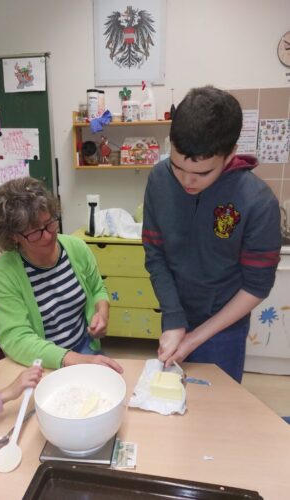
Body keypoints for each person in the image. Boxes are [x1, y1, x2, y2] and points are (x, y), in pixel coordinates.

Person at [142, 85, 281, 383]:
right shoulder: (158, 180)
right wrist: (174, 319)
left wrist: (195, 339)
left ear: (230, 154)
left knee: (218, 412)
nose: (186, 180)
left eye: (202, 173)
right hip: (176, 314)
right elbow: (156, 256)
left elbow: (256, 286)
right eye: (177, 167)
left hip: (224, 327)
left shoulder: (258, 202)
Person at [0, 177, 123, 374]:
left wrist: (101, 312)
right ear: (13, 236)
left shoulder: (76, 248)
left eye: (49, 223)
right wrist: (72, 360)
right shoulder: (2, 275)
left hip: (85, 347)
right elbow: (17, 339)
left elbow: (97, 288)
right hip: (39, 363)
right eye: (34, 232)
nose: (48, 235)